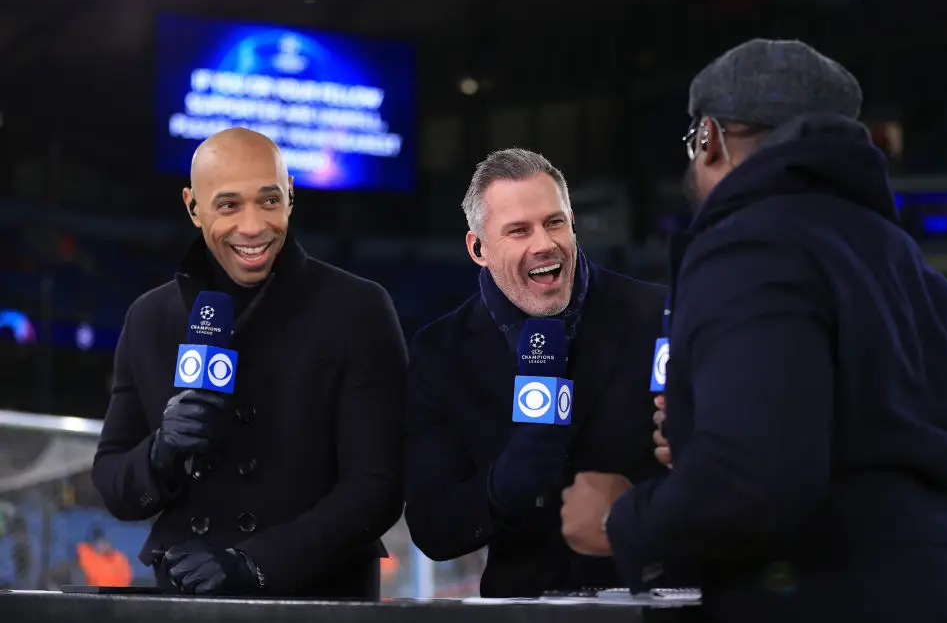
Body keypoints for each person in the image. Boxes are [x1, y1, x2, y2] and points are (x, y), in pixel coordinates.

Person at [560, 38, 947, 622]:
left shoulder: (751, 246)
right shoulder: (922, 278)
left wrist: (621, 519)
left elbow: (754, 478)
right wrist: (705, 435)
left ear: (710, 139)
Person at [91, 127, 406, 598]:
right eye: (228, 205)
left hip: (320, 602)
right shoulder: (150, 317)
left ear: (291, 197)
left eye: (269, 201)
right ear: (193, 207)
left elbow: (376, 489)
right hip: (184, 600)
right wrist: (159, 454)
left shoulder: (358, 308)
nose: (254, 226)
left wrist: (254, 565)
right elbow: (114, 482)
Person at [403, 148, 670, 597]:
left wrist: (637, 514)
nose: (544, 244)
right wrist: (501, 488)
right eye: (519, 231)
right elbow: (433, 530)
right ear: (479, 248)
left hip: (655, 601)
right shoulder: (439, 351)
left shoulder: (659, 315)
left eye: (554, 222)